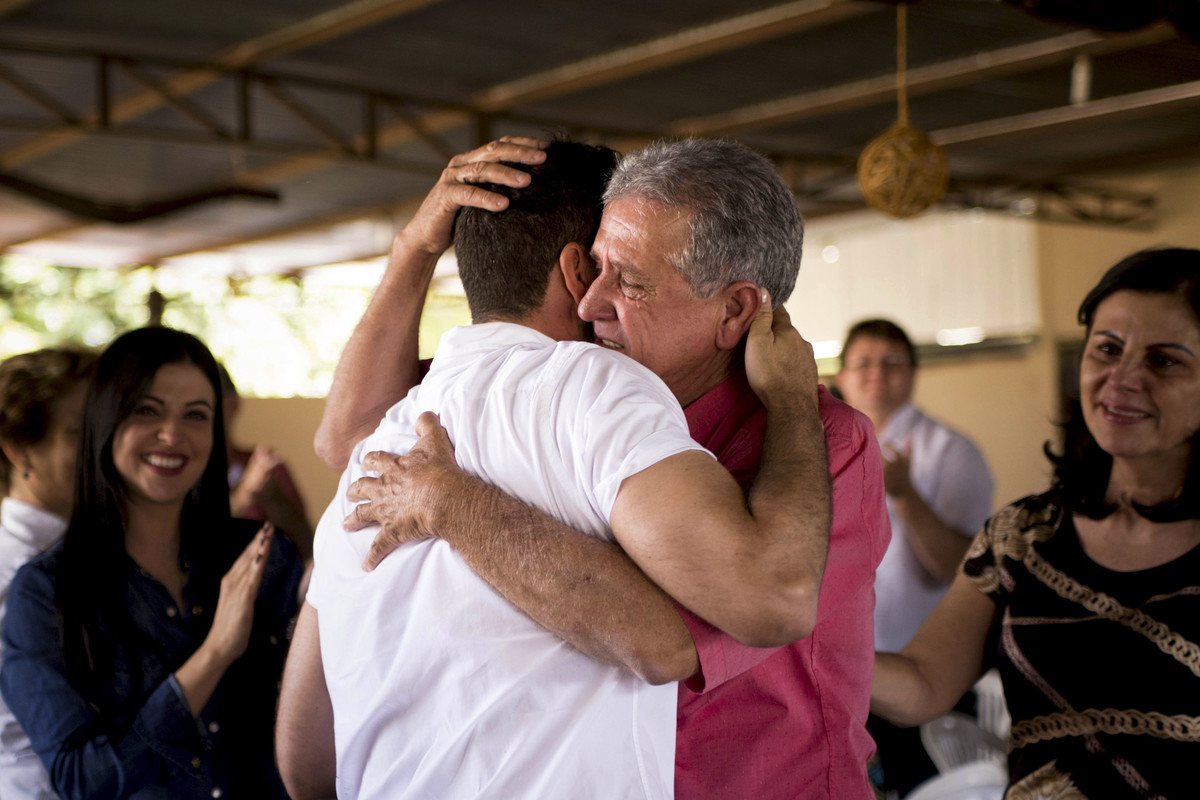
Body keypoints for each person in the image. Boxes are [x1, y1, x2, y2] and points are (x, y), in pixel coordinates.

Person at [308, 137, 890, 799]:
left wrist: (453, 504)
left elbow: (685, 633)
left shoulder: (822, 443)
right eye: (596, 268)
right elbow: (350, 437)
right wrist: (415, 247)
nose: (588, 304)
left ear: (733, 310)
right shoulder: (567, 401)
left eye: (630, 282)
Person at [871, 247, 1200, 799]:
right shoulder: (1022, 537)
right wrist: (792, 635)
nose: (1122, 379)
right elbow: (924, 684)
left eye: (1164, 360)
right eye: (1107, 349)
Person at [0, 327, 304, 800]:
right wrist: (215, 653)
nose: (172, 435)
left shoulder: (263, 556)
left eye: (196, 415)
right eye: (147, 410)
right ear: (105, 421)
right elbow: (84, 781)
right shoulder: (45, 590)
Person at [836, 318, 993, 794]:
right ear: (841, 375)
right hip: (839, 669)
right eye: (863, 363)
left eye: (892, 363)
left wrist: (904, 494)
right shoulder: (821, 448)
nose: (877, 374)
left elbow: (957, 570)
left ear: (913, 373)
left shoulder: (952, 452)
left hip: (924, 672)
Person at [0, 346, 95, 799]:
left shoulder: (95, 549)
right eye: (80, 433)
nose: (102, 449)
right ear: (20, 450)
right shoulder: (12, 573)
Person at [218, 363, 314, 561]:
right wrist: (244, 496)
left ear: (233, 404)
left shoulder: (265, 467)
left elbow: (306, 547)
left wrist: (271, 496)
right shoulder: (180, 471)